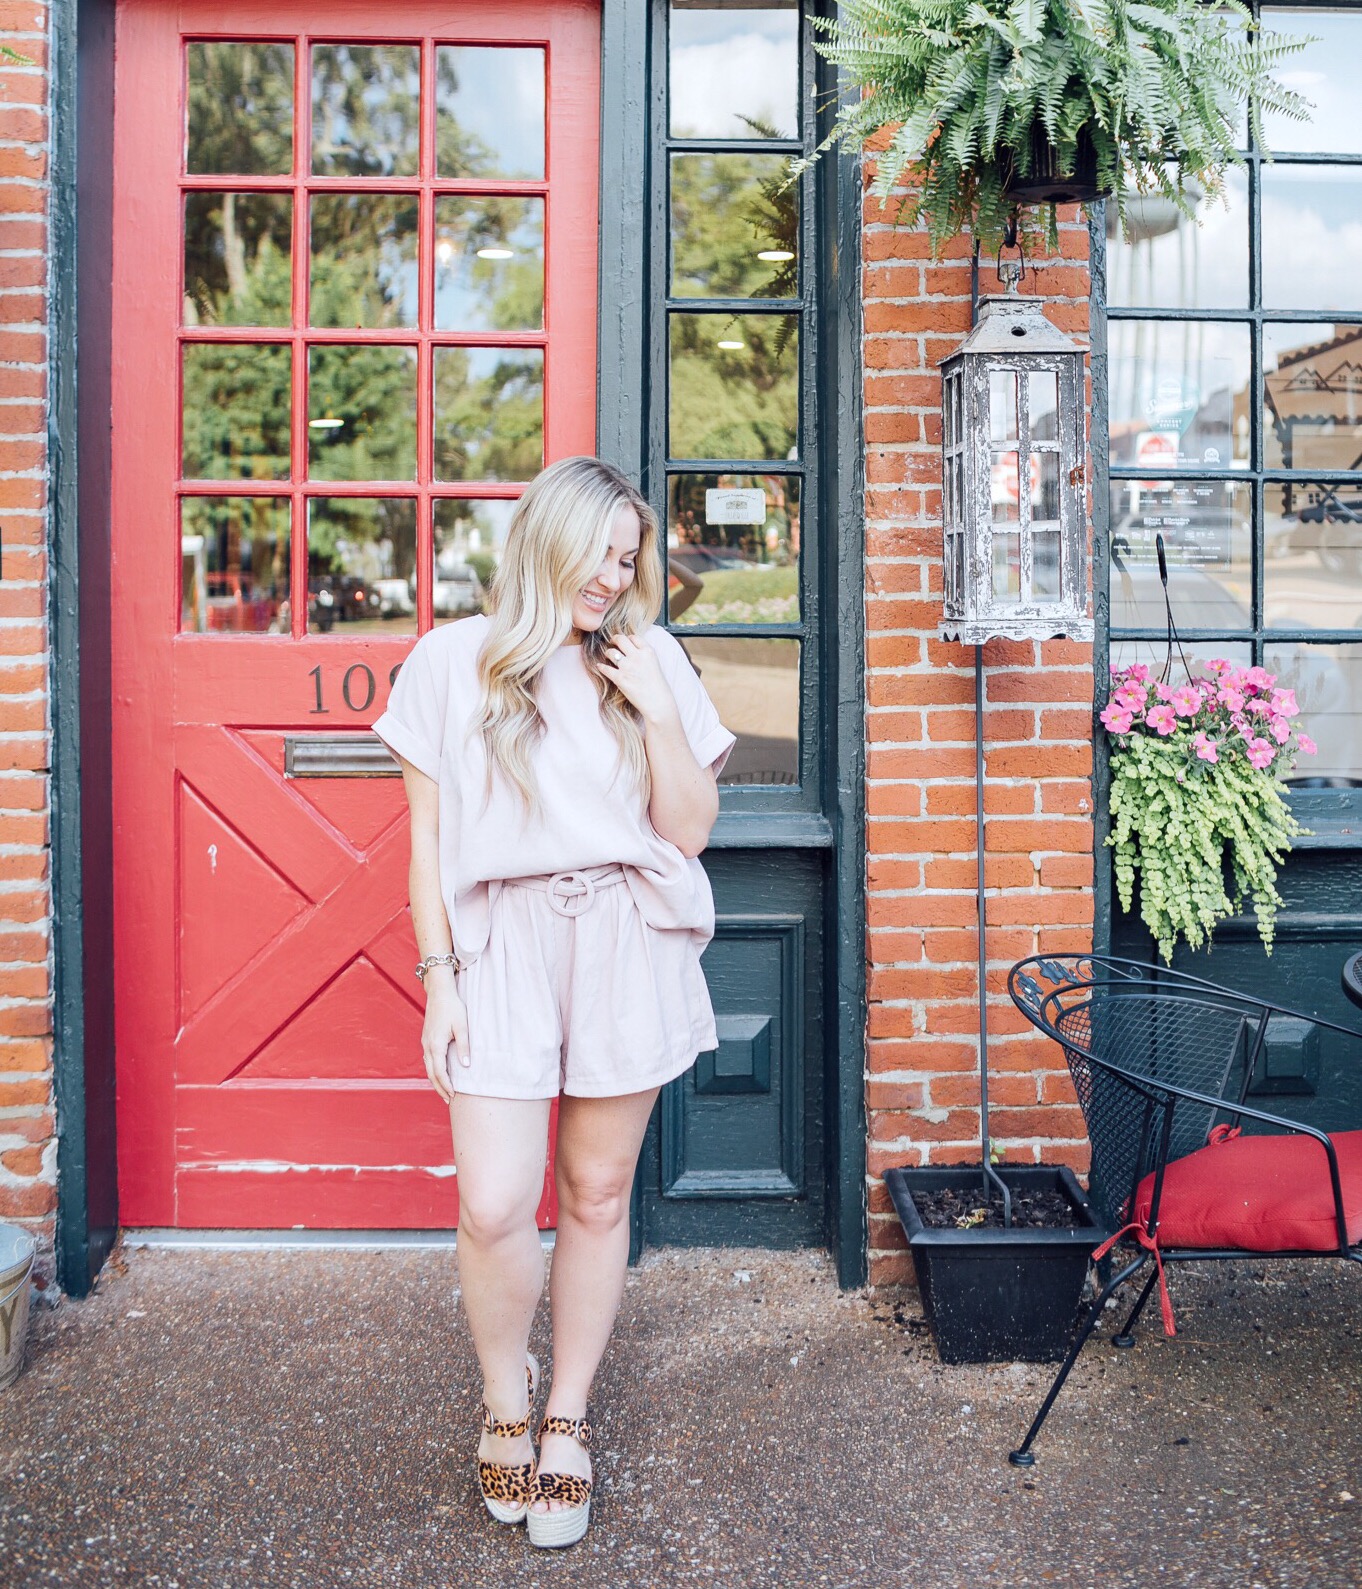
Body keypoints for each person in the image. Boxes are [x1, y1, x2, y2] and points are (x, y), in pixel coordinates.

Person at [373, 456, 734, 1550]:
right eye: (605, 552)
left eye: (632, 559)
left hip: (624, 930)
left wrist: (658, 710)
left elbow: (691, 827)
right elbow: (428, 840)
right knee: (492, 1198)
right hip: (500, 942)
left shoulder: (649, 654)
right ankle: (504, 1400)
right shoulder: (450, 662)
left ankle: (566, 1416)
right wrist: (437, 980)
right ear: (548, 538)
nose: (618, 575)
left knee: (595, 1187)